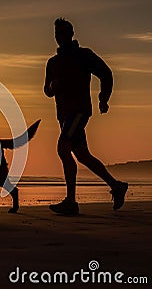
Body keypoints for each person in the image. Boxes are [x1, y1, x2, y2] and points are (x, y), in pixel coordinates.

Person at [43, 18, 128, 215]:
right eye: (57, 34)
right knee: (81, 155)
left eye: (63, 33)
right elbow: (47, 91)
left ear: (71, 34)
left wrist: (103, 98)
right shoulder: (53, 62)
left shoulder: (84, 56)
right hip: (63, 114)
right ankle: (116, 186)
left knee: (63, 149)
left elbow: (106, 74)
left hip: (79, 111)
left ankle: (71, 201)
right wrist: (52, 87)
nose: (60, 37)